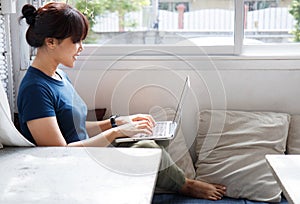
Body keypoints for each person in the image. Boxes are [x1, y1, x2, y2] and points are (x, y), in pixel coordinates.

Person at [17, 2, 226, 201]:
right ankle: (186, 186)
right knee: (146, 149)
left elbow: (76, 126)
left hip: (87, 154)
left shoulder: (59, 76)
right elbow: (58, 153)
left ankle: (179, 182)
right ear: (51, 42)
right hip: (73, 166)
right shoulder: (35, 89)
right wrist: (116, 133)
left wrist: (118, 122)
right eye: (76, 41)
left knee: (151, 139)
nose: (81, 48)